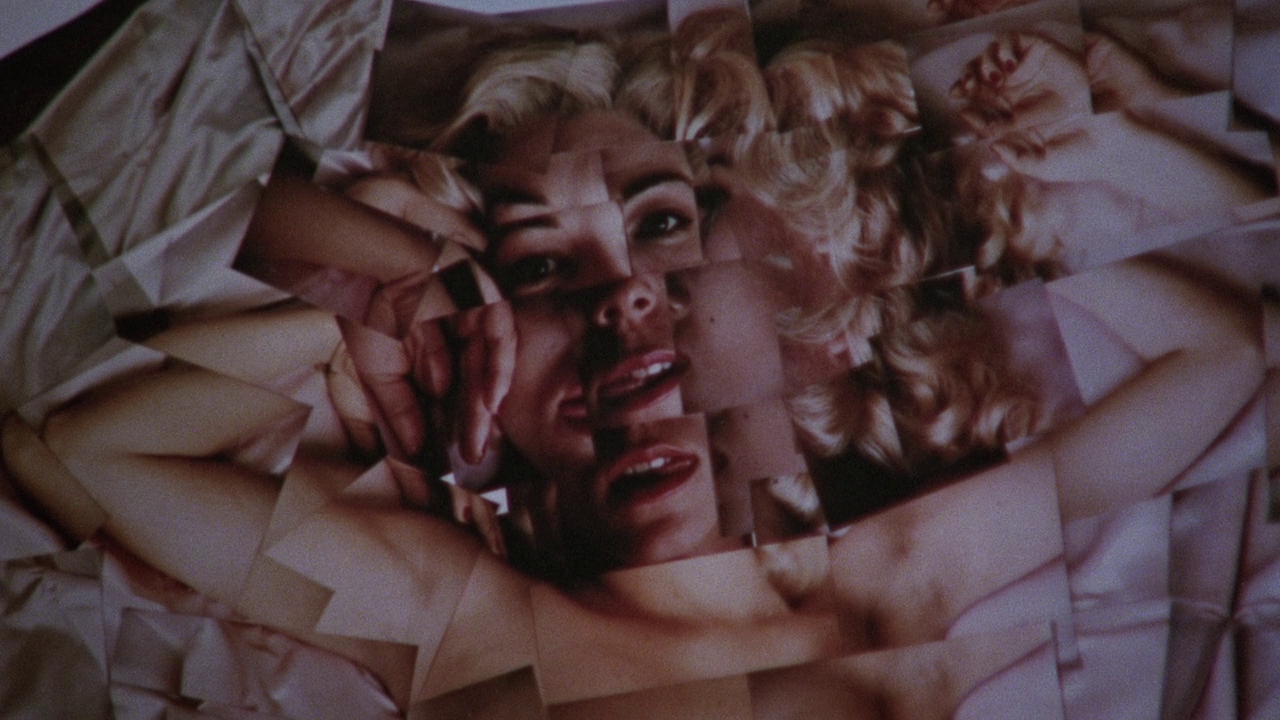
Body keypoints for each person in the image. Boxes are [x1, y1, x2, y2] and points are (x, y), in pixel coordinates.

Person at [1, 4, 1266, 713]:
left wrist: (1024, 179)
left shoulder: (889, 583)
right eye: (538, 268)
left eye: (663, 227)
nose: (623, 304)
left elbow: (1222, 360)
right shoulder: (466, 618)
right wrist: (391, 288)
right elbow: (86, 446)